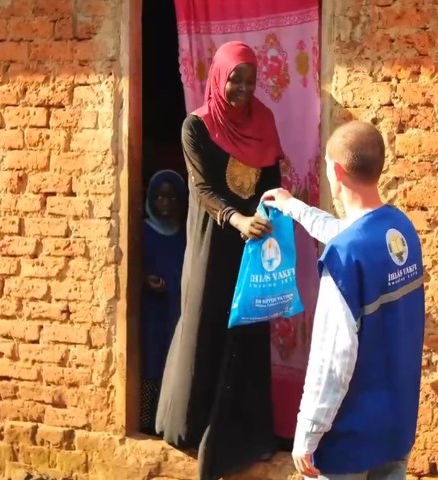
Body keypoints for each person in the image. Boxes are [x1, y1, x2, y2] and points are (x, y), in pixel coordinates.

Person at [262, 121, 426, 480]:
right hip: (395, 428)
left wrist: (307, 432)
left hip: (349, 442)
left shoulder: (344, 260)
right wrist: (295, 208)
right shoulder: (400, 230)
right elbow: (348, 234)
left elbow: (333, 359)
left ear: (337, 172)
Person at [155, 41, 284, 480]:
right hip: (214, 239)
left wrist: (270, 219)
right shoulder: (197, 127)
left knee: (247, 331)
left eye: (250, 80)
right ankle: (190, 427)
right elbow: (201, 188)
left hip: (253, 244)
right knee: (206, 322)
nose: (244, 88)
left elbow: (271, 180)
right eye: (235, 79)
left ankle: (250, 436)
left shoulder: (263, 121)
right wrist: (237, 218)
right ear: (218, 77)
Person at [140, 169, 188, 435]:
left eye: (171, 197)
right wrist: (146, 280)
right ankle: (148, 422)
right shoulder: (143, 231)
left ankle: (169, 421)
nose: (165, 203)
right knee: (151, 363)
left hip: (177, 309)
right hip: (152, 311)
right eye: (159, 197)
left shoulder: (185, 233)